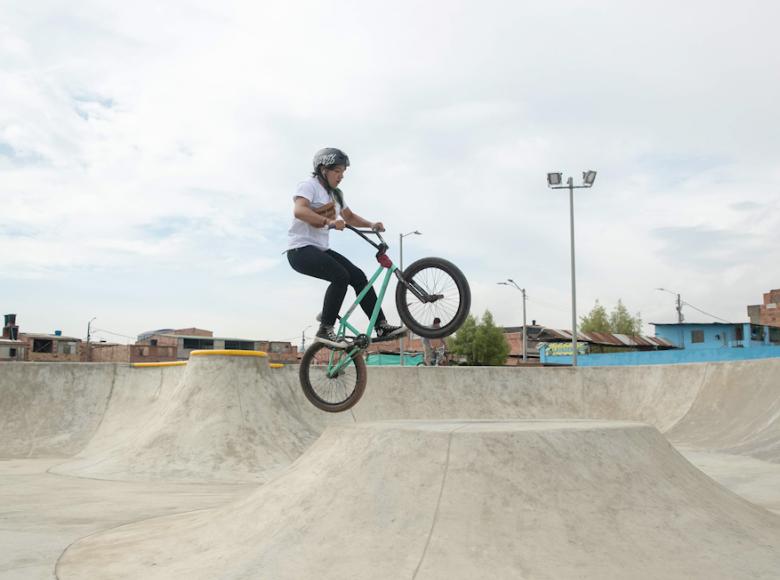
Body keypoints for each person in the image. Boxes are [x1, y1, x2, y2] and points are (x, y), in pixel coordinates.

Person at [287, 148, 406, 348]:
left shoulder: (336, 195)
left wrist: (371, 224)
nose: (341, 176)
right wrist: (329, 222)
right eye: (337, 171)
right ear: (323, 169)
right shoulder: (309, 186)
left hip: (320, 250)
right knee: (340, 276)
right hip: (300, 251)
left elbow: (349, 217)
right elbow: (299, 210)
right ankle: (325, 328)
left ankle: (380, 326)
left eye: (343, 172)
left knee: (358, 276)